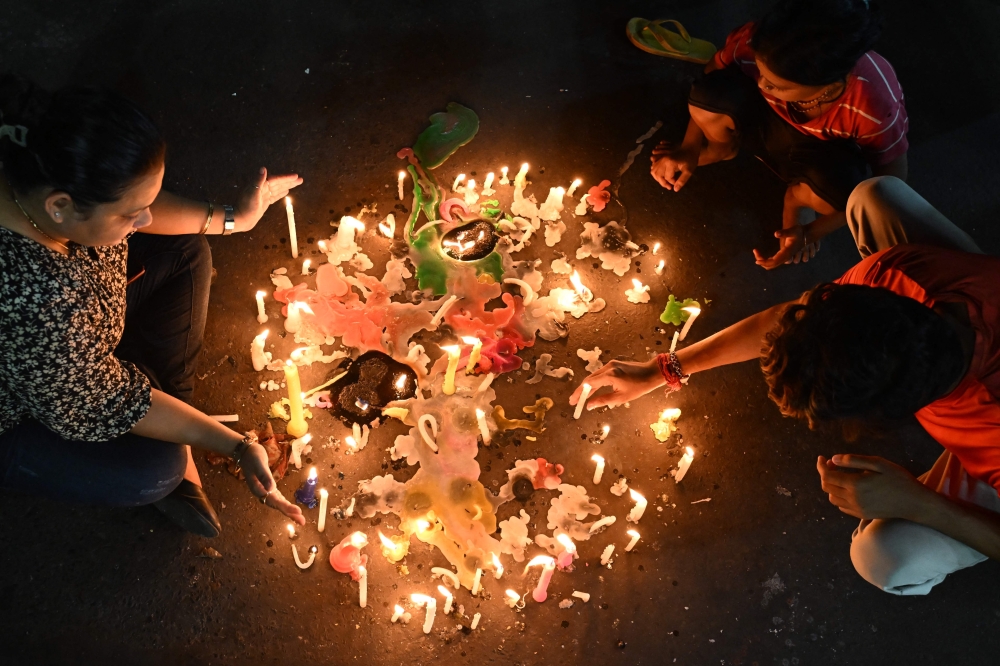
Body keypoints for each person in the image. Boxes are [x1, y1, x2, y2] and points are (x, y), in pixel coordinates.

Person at [572, 176, 999, 595]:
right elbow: (790, 318)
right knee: (872, 196)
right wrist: (663, 369)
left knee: (884, 556)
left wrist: (917, 503)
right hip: (974, 294)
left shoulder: (987, 424)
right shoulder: (894, 274)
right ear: (869, 296)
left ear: (894, 415)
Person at [0, 74, 306, 538]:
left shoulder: (34, 162)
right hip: (25, 404)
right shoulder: (34, 301)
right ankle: (167, 432)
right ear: (60, 206)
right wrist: (238, 448)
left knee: (185, 248)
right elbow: (98, 403)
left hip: (71, 347)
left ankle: (171, 407)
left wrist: (234, 219)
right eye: (129, 214)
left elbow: (134, 200)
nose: (144, 219)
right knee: (155, 469)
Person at [650, 0, 909, 269]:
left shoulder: (873, 104)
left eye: (775, 84)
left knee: (844, 187)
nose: (761, 82)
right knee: (711, 93)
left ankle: (797, 200)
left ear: (828, 87)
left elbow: (890, 182)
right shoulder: (760, 41)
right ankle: (720, 148)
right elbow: (712, 77)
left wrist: (811, 232)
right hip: (759, 117)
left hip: (817, 152)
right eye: (760, 72)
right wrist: (690, 146)